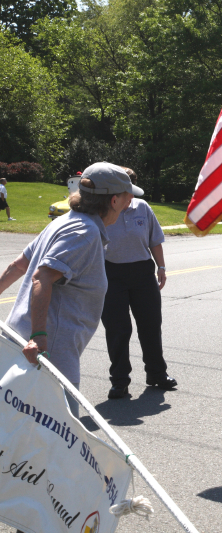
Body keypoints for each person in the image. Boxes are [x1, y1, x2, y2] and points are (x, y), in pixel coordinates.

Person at [0, 162, 141, 417]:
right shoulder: (84, 233)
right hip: (48, 356)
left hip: (21, 345)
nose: (130, 201)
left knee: (16, 434)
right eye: (126, 195)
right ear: (113, 201)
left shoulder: (66, 221)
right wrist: (38, 335)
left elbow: (18, 265)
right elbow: (41, 275)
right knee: (62, 443)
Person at [101, 167, 176, 400]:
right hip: (111, 274)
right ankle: (120, 382)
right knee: (118, 329)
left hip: (143, 273)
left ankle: (156, 374)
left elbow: (155, 240)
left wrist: (161, 267)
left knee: (151, 325)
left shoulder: (142, 208)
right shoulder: (103, 210)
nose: (131, 196)